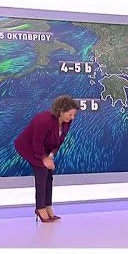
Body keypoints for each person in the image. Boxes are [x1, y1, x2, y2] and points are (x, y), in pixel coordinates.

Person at [14, 95, 78, 223]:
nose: (72, 118)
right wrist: (43, 158)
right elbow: (37, 143)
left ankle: (48, 206)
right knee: (42, 172)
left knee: (49, 172)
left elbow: (59, 141)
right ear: (61, 111)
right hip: (28, 147)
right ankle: (40, 208)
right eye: (70, 114)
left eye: (74, 115)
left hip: (44, 149)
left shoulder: (66, 122)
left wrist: (50, 157)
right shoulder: (43, 120)